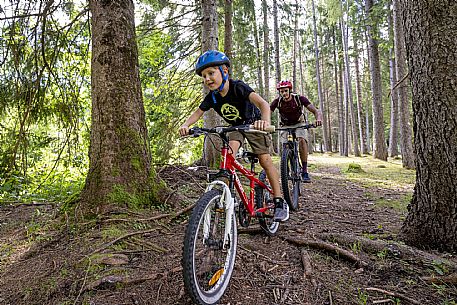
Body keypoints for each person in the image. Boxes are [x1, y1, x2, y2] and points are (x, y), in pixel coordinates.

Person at [179, 50, 289, 222]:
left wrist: (265, 122)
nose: (207, 79)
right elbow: (197, 113)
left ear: (224, 71)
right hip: (236, 127)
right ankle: (227, 197)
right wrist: (186, 125)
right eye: (204, 76)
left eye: (211, 73)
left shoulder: (238, 87)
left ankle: (279, 200)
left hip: (253, 124)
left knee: (265, 160)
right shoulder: (213, 97)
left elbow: (263, 104)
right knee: (228, 156)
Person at [270, 80, 323, 182]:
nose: (284, 93)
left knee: (302, 140)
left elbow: (315, 110)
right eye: (281, 92)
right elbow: (267, 111)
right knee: (285, 145)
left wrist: (318, 119)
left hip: (299, 124)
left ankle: (304, 171)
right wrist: (265, 122)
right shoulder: (277, 102)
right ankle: (286, 168)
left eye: (285, 91)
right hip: (285, 125)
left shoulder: (299, 99)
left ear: (290, 90)